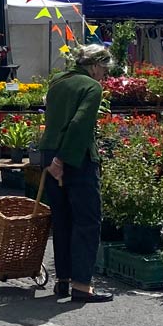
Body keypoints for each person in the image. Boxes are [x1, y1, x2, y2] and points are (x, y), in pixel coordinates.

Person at [39, 44, 115, 304]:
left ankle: (63, 281)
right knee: (87, 221)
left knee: (62, 220)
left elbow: (51, 118)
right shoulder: (91, 87)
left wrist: (53, 159)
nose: (104, 76)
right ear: (94, 65)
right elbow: (79, 124)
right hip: (75, 158)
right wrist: (62, 159)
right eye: (104, 69)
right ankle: (82, 285)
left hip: (49, 155)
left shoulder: (58, 81)